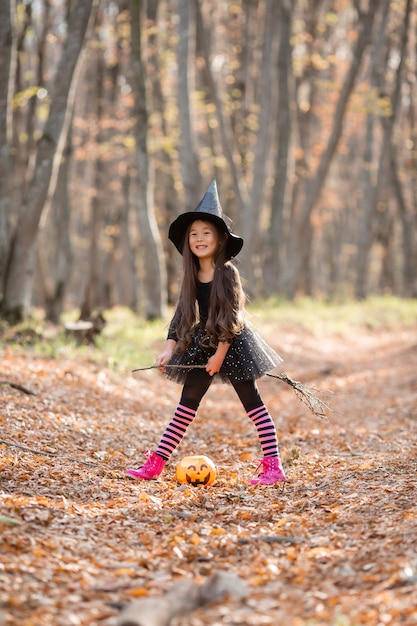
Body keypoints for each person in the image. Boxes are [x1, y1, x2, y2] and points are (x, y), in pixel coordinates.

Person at [126, 180, 286, 485]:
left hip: (232, 341)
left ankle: (273, 465)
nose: (199, 239)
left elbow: (230, 316)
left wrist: (220, 355)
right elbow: (182, 315)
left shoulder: (227, 273)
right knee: (186, 405)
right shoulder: (191, 274)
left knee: (252, 403)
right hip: (204, 341)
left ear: (221, 238)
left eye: (206, 233)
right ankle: (157, 463)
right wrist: (169, 348)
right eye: (194, 234)